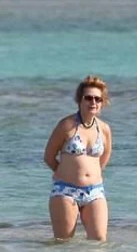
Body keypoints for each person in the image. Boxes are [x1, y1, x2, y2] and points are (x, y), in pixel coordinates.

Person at [44, 76, 113, 241]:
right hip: (65, 191)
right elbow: (49, 156)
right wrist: (66, 173)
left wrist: (91, 175)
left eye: (98, 99)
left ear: (102, 103)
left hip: (95, 191)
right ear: (79, 100)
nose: (93, 102)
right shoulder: (66, 125)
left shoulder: (104, 129)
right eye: (88, 98)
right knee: (64, 243)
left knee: (99, 241)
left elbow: (104, 157)